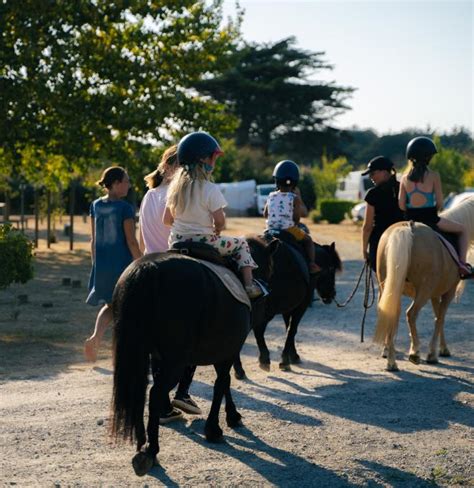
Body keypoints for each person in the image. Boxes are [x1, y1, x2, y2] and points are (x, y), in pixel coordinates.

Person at [139, 145, 202, 423]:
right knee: (197, 327)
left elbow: (143, 238)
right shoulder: (177, 195)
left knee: (155, 341)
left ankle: (163, 404)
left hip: (148, 263)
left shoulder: (148, 195)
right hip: (174, 262)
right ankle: (184, 391)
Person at [163, 131, 262, 298]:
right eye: (213, 157)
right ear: (203, 159)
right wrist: (217, 230)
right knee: (242, 244)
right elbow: (220, 221)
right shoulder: (209, 188)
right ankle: (249, 285)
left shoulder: (174, 189)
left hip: (176, 241)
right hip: (204, 241)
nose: (214, 162)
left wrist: (184, 229)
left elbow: (166, 220)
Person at [84, 166, 142, 362]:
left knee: (111, 305)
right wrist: (141, 263)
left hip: (101, 264)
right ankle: (118, 355)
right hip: (122, 266)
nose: (129, 185)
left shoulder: (95, 205)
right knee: (124, 310)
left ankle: (95, 337)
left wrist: (95, 264)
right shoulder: (125, 208)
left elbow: (93, 239)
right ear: (116, 184)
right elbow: (131, 241)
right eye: (126, 181)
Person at [399, 136, 473, 279]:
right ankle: (463, 265)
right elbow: (440, 202)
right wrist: (434, 209)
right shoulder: (433, 176)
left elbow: (401, 205)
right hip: (430, 220)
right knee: (463, 230)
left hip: (410, 221)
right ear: (428, 158)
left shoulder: (404, 178)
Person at [264, 160, 320, 274]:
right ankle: (312, 264)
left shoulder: (271, 195)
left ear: (276, 180)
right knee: (308, 241)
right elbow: (296, 219)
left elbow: (265, 214)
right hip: (288, 229)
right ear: (295, 182)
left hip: (269, 230)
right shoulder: (295, 198)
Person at [361, 156, 404, 271]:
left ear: (385, 172)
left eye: (373, 173)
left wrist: (365, 249)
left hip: (380, 239)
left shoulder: (373, 194)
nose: (371, 177)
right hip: (403, 235)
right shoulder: (403, 188)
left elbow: (367, 226)